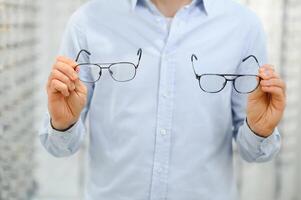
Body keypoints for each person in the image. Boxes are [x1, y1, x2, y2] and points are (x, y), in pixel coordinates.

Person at [40, 0, 286, 199]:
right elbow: (60, 147)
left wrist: (260, 131)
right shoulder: (87, 22)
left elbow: (254, 152)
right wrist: (63, 124)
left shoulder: (242, 25)